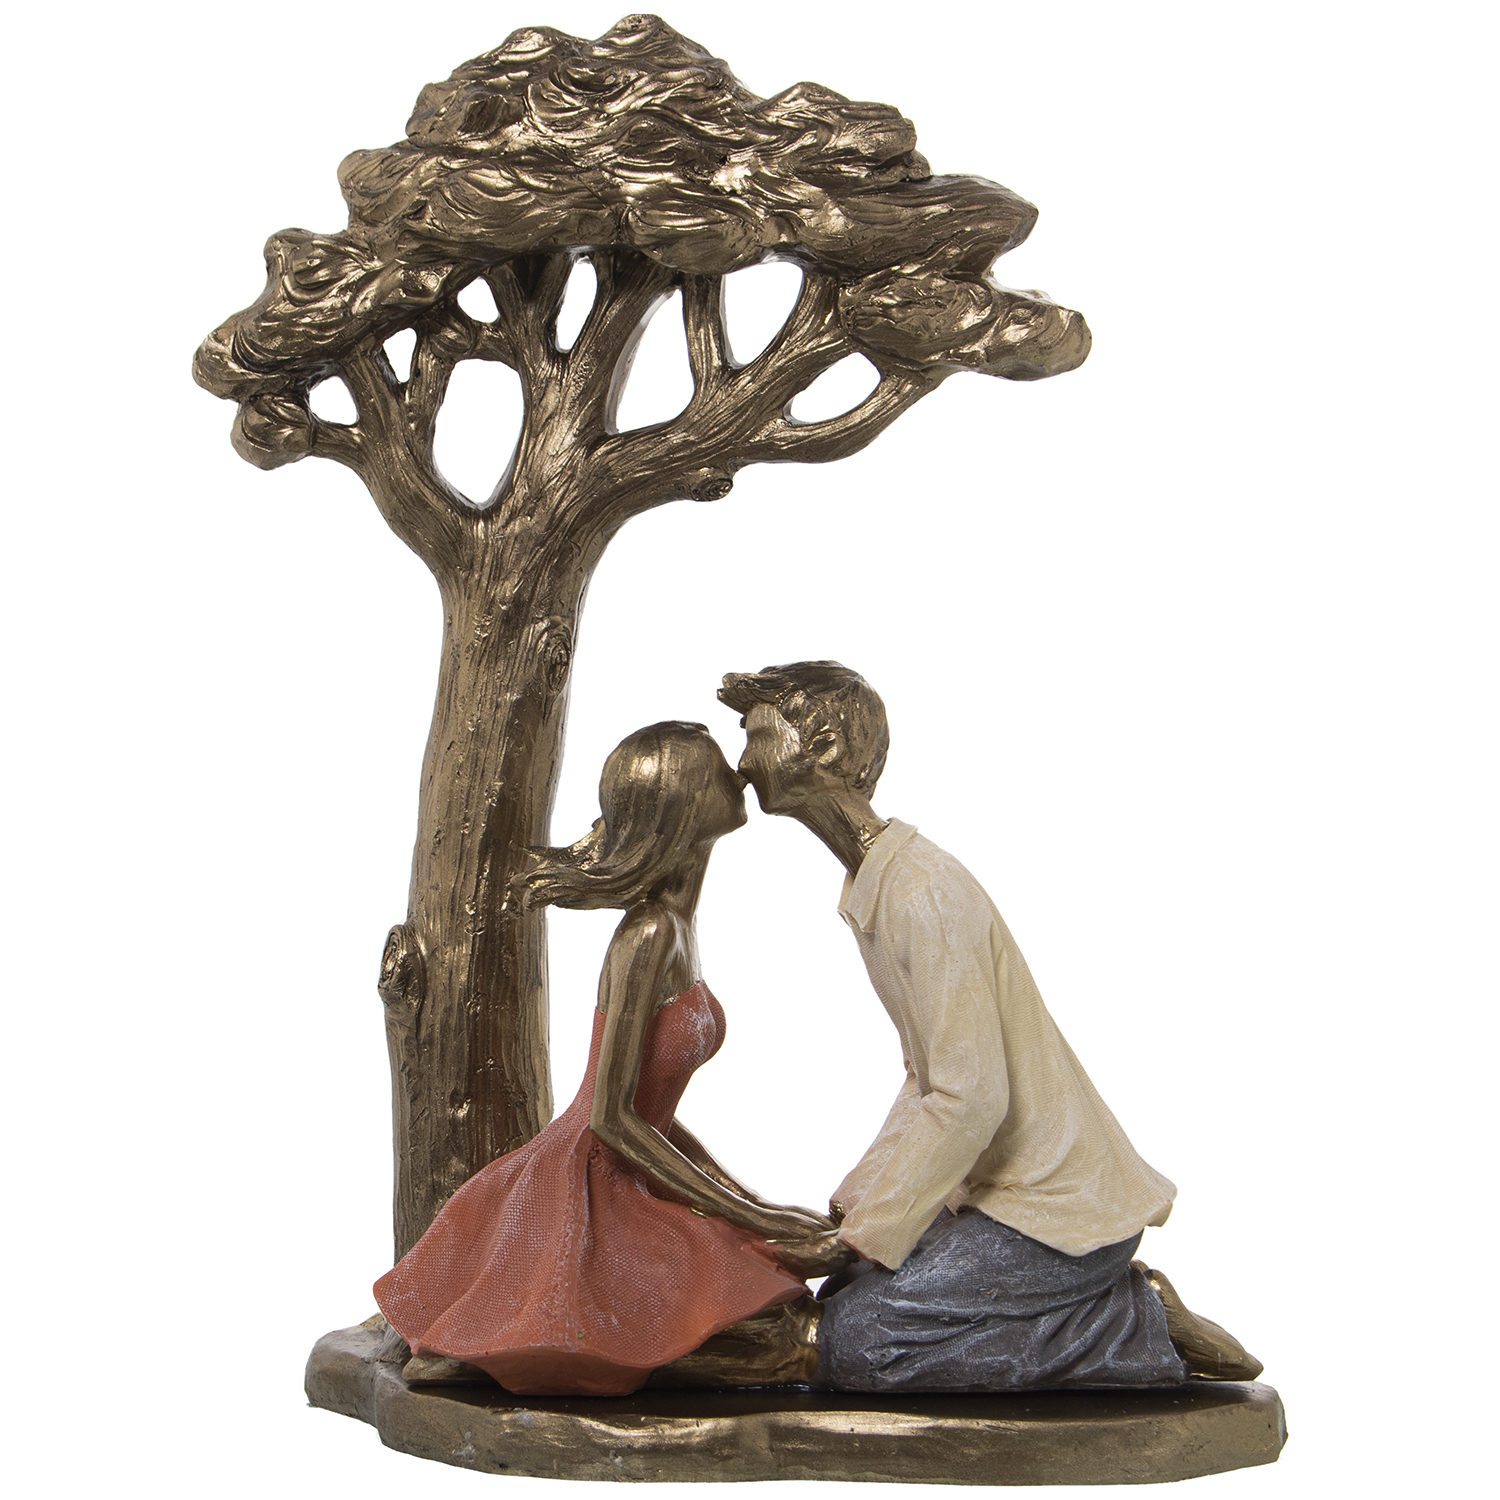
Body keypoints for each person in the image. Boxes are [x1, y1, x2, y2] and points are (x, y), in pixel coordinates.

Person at [719, 662, 1261, 1392]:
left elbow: (969, 1099)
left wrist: (867, 1231)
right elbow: (928, 1077)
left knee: (855, 1344)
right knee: (845, 1296)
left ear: (824, 748)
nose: (743, 763)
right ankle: (1086, 1310)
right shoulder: (875, 884)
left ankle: (1133, 1321)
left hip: (1055, 1213)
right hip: (997, 1199)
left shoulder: (921, 895)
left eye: (758, 737)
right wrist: (859, 1204)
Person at [374, 721, 828, 1396]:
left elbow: (656, 1114)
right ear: (682, 805)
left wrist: (751, 1202)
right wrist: (756, 1220)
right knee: (774, 1331)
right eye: (714, 767)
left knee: (776, 1294)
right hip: (592, 1182)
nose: (736, 772)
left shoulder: (677, 926)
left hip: (636, 1168)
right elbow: (612, 1118)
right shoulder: (648, 935)